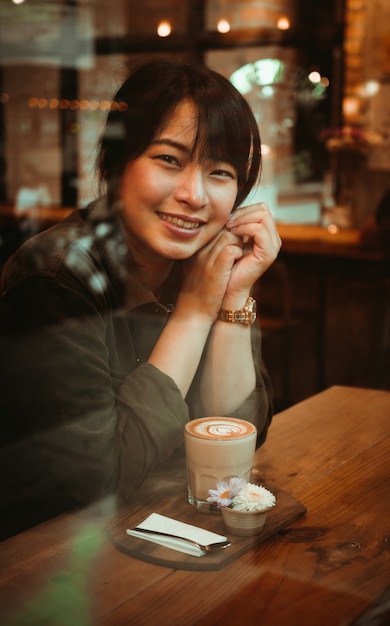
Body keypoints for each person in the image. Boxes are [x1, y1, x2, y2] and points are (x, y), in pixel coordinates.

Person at [0, 59, 281, 539]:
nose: (194, 195)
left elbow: (237, 436)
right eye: (169, 159)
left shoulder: (198, 264)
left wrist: (234, 294)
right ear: (116, 163)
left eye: (219, 172)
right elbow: (103, 479)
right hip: (41, 557)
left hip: (154, 534)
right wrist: (194, 312)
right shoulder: (57, 277)